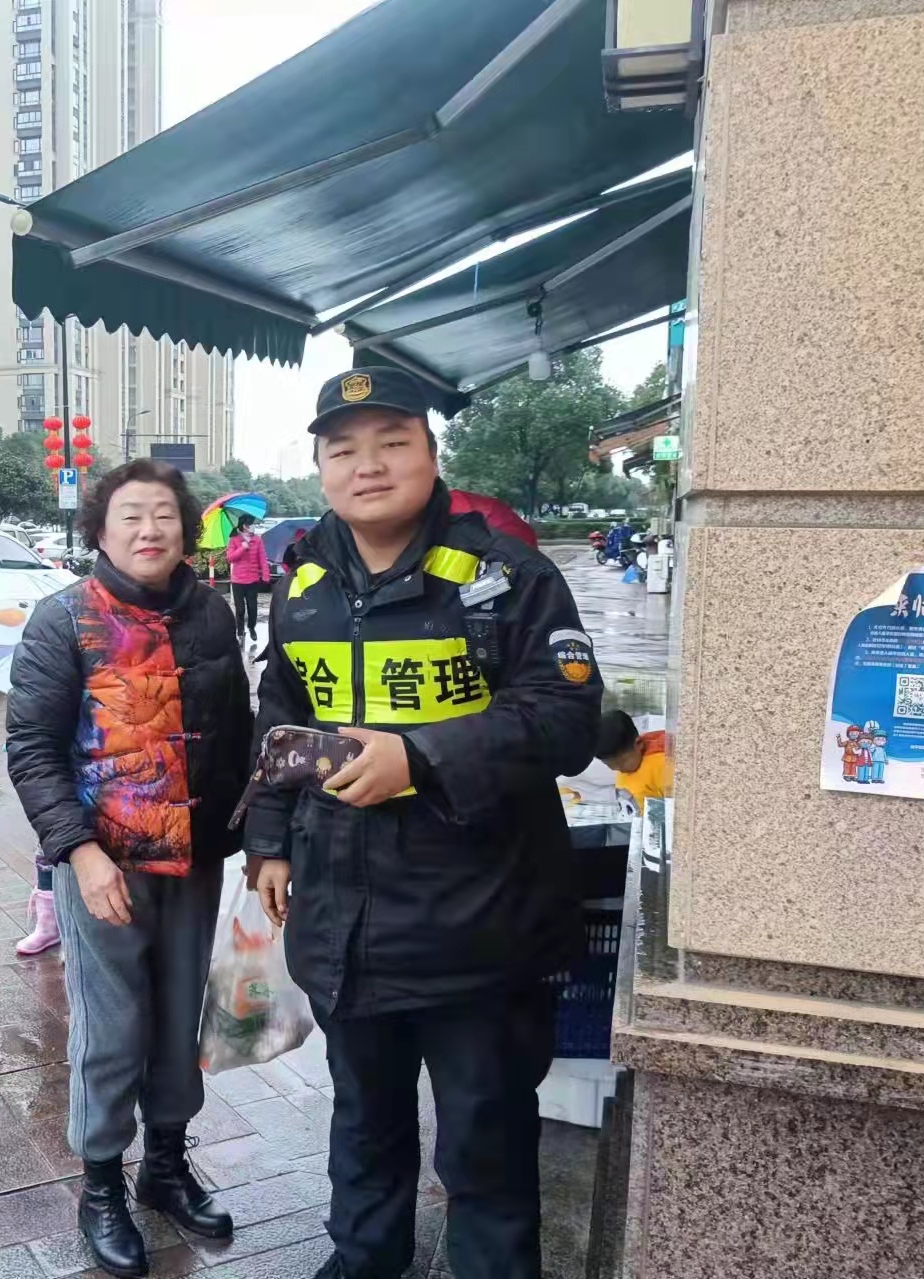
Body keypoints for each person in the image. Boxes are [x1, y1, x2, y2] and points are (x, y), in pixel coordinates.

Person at [242, 366, 602, 1279]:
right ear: (321, 469)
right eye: (343, 450)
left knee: (484, 1139)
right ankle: (363, 1259)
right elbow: (282, 721)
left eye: (392, 443)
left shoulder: (506, 575)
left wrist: (423, 756)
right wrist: (270, 841)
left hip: (478, 925)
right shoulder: (302, 580)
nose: (367, 466)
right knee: (364, 1121)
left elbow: (566, 719)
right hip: (343, 921)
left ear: (433, 454)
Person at [6, 458, 253, 1279]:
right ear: (100, 532)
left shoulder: (211, 614)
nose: (150, 530)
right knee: (111, 1028)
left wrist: (255, 836)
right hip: (104, 863)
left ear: (186, 528)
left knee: (181, 1017)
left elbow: (239, 732)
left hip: (195, 857)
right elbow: (31, 749)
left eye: (164, 515)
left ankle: (167, 1166)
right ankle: (103, 1185)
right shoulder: (65, 618)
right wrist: (78, 851)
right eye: (131, 516)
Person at [595, 710, 672, 813]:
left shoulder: (662, 765)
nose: (619, 769)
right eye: (609, 764)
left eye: (623, 762)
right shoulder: (629, 766)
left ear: (638, 744)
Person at [225, 513, 271, 646]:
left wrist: (266, 574)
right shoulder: (234, 539)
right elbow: (230, 558)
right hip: (238, 580)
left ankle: (251, 627)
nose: (253, 526)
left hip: (253, 579)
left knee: (253, 607)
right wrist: (242, 548)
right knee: (240, 609)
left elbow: (262, 558)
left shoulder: (257, 540)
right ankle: (240, 631)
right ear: (244, 526)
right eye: (251, 524)